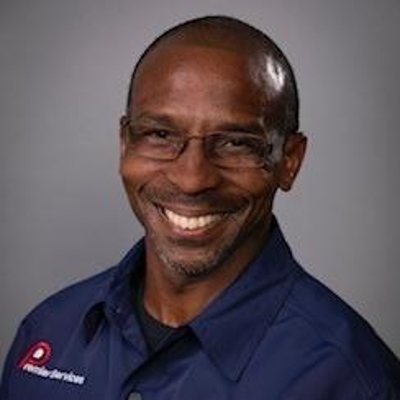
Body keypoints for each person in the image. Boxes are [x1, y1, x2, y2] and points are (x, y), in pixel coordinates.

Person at [1, 15, 399, 400]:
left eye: (236, 143)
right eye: (160, 134)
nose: (192, 179)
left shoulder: (352, 382)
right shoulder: (48, 333)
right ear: (125, 144)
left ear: (289, 161)